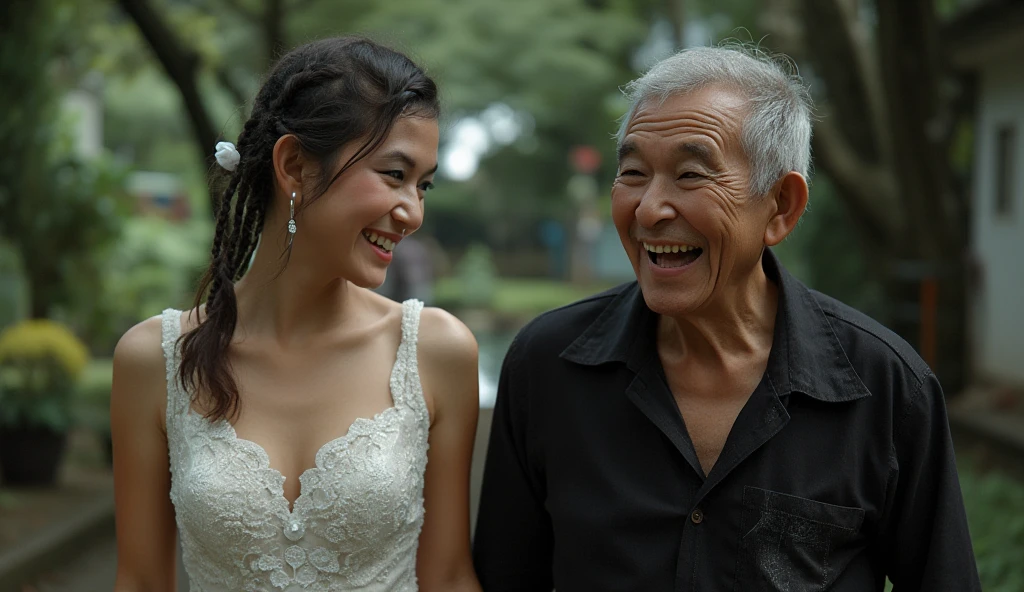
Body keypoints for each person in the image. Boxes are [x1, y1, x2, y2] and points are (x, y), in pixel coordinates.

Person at [473, 45, 981, 591]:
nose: (649, 209)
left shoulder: (886, 389)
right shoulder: (548, 365)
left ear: (781, 207)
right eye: (634, 172)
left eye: (691, 175)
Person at [111, 37, 482, 592]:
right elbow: (141, 581)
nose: (412, 212)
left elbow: (450, 577)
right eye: (394, 175)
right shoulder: (155, 359)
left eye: (423, 185)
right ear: (294, 166)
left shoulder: (435, 351)